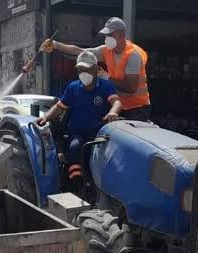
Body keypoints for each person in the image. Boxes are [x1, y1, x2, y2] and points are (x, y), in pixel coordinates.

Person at [41, 17, 151, 122]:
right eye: (106, 35)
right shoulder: (106, 50)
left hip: (137, 109)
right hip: (118, 106)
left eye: (110, 35)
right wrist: (56, 45)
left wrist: (106, 77)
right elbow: (80, 52)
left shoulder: (133, 55)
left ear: (122, 35)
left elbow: (130, 87)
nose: (107, 38)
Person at [38, 51, 121, 184]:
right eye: (80, 70)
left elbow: (116, 102)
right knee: (75, 147)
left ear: (95, 69)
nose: (83, 73)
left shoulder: (106, 86)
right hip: (78, 134)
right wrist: (46, 117)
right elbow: (59, 107)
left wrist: (113, 112)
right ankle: (77, 184)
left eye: (86, 69)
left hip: (100, 135)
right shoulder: (73, 87)